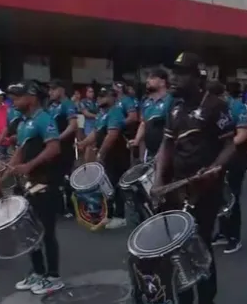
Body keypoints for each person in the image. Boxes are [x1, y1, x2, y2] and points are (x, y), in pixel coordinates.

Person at [153, 52, 236, 304]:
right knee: (177, 250)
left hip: (204, 191)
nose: (174, 79)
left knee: (199, 250)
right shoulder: (174, 108)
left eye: (181, 73)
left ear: (197, 77)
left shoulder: (215, 106)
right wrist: (157, 179)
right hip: (175, 189)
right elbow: (166, 145)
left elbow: (230, 146)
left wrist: (215, 168)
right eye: (172, 73)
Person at [6, 81, 65, 295]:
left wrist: (29, 166)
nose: (13, 100)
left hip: (46, 183)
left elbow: (54, 148)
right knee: (29, 230)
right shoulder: (23, 123)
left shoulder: (44, 119)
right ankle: (38, 272)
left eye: (18, 96)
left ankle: (53, 276)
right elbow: (20, 151)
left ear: (32, 97)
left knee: (46, 232)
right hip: (28, 185)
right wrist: (5, 174)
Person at [75, 86, 130, 230]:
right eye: (99, 96)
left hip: (117, 155)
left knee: (115, 186)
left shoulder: (115, 112)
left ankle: (119, 216)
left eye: (104, 96)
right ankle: (108, 215)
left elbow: (112, 135)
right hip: (107, 157)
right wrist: (83, 143)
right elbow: (96, 132)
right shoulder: (101, 114)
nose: (100, 98)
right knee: (107, 186)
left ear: (113, 98)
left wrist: (101, 153)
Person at [210, 81, 247, 254]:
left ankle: (235, 237)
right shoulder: (211, 109)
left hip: (236, 157)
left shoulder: (237, 107)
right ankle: (223, 232)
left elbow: (242, 135)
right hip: (218, 158)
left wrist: (222, 145)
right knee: (218, 196)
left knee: (232, 195)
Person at [47, 80, 79, 218]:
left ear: (61, 90)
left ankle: (71, 208)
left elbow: (73, 125)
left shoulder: (68, 104)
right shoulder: (51, 107)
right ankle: (58, 207)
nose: (50, 93)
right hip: (53, 147)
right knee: (54, 177)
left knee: (66, 177)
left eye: (53, 89)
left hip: (65, 146)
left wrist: (58, 138)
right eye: (50, 90)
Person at [130, 68, 173, 160]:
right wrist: (136, 142)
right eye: (148, 78)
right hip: (149, 152)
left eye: (152, 78)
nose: (147, 81)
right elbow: (143, 123)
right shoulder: (146, 101)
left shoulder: (171, 100)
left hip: (166, 151)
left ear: (162, 82)